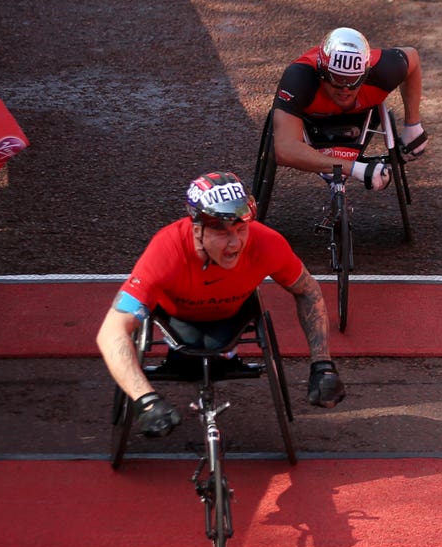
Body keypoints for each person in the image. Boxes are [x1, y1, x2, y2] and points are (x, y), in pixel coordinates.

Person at [96, 171, 345, 437]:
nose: (235, 243)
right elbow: (111, 332)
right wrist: (144, 399)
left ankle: (222, 355)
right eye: (223, 233)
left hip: (232, 320)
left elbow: (308, 291)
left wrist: (322, 364)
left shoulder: (266, 243)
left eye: (241, 229)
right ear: (197, 230)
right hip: (176, 322)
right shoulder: (166, 251)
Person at [272, 27, 426, 191]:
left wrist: (413, 125)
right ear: (322, 72)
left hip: (361, 114)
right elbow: (284, 150)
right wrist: (353, 168)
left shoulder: (385, 69)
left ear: (366, 73)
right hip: (312, 120)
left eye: (353, 81)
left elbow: (412, 57)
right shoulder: (299, 78)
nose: (345, 89)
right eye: (337, 79)